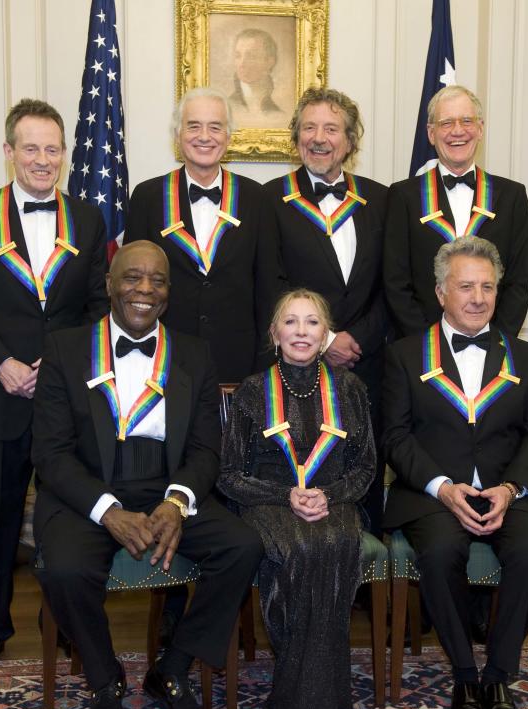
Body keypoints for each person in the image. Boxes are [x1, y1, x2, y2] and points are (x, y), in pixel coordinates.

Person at [31, 241, 263, 709]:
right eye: (133, 278)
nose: (145, 289)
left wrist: (177, 503)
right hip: (88, 489)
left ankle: (173, 668)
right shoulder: (65, 348)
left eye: (157, 281)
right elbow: (50, 454)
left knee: (242, 547)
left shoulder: (195, 353)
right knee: (66, 567)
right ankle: (103, 678)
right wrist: (108, 511)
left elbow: (206, 449)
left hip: (166, 484)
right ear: (110, 284)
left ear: (169, 292)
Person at [0, 98, 108, 677]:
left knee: (68, 521)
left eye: (52, 149)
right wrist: (2, 364)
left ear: (65, 154)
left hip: (65, 400)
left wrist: (57, 368)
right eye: (31, 148)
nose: (43, 159)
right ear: (9, 151)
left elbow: (96, 307)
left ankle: (65, 629)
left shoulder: (88, 218)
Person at [382, 236, 528, 709]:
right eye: (465, 286)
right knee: (439, 554)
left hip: (509, 491)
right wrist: (440, 487)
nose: (477, 297)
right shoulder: (403, 355)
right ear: (440, 292)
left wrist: (509, 489)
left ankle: (498, 679)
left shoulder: (527, 355)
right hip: (432, 491)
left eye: (487, 287)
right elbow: (395, 436)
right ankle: (463, 677)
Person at [217, 289, 376, 709]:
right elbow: (230, 475)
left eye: (312, 323)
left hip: (336, 500)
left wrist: (326, 494)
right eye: (291, 322)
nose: (301, 332)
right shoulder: (251, 390)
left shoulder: (351, 388)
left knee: (331, 546)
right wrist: (287, 495)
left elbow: (365, 468)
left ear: (326, 335)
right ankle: (310, 698)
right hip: (267, 501)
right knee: (302, 549)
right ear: (274, 333)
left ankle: (315, 699)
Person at [263, 87, 389, 534]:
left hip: (367, 366)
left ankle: (359, 580)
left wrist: (358, 341)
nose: (319, 138)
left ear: (350, 141)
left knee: (363, 467)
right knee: (302, 470)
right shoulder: (269, 201)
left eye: (332, 128)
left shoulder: (380, 200)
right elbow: (271, 283)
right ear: (295, 138)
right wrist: (328, 339)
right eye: (310, 127)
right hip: (297, 373)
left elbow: (388, 287)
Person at [125, 87, 284, 384]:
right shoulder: (147, 197)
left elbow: (268, 286)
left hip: (238, 361)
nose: (204, 136)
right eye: (193, 125)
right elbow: (132, 286)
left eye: (215, 127)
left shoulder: (256, 198)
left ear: (229, 136)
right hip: (163, 359)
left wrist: (264, 364)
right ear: (177, 135)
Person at [384, 84, 528, 338]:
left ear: (480, 128)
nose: (457, 131)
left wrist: (495, 342)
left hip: (492, 347)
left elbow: (518, 283)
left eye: (467, 121)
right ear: (431, 133)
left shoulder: (512, 196)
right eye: (446, 123)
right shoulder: (403, 196)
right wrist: (427, 343)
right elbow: (395, 283)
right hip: (421, 350)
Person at [228, 28, 282, 118]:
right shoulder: (226, 107)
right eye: (238, 56)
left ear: (269, 61)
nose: (242, 64)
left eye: (251, 56)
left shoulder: (278, 113)